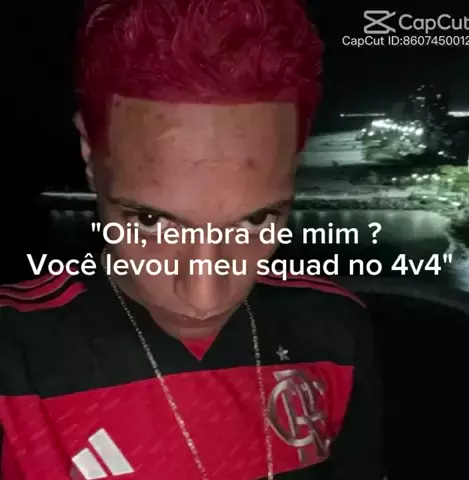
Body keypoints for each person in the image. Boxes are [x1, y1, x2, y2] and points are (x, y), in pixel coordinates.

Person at [0, 0, 382, 478]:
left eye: (256, 220)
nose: (205, 298)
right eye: (150, 220)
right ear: (89, 153)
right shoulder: (13, 358)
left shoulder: (336, 329)